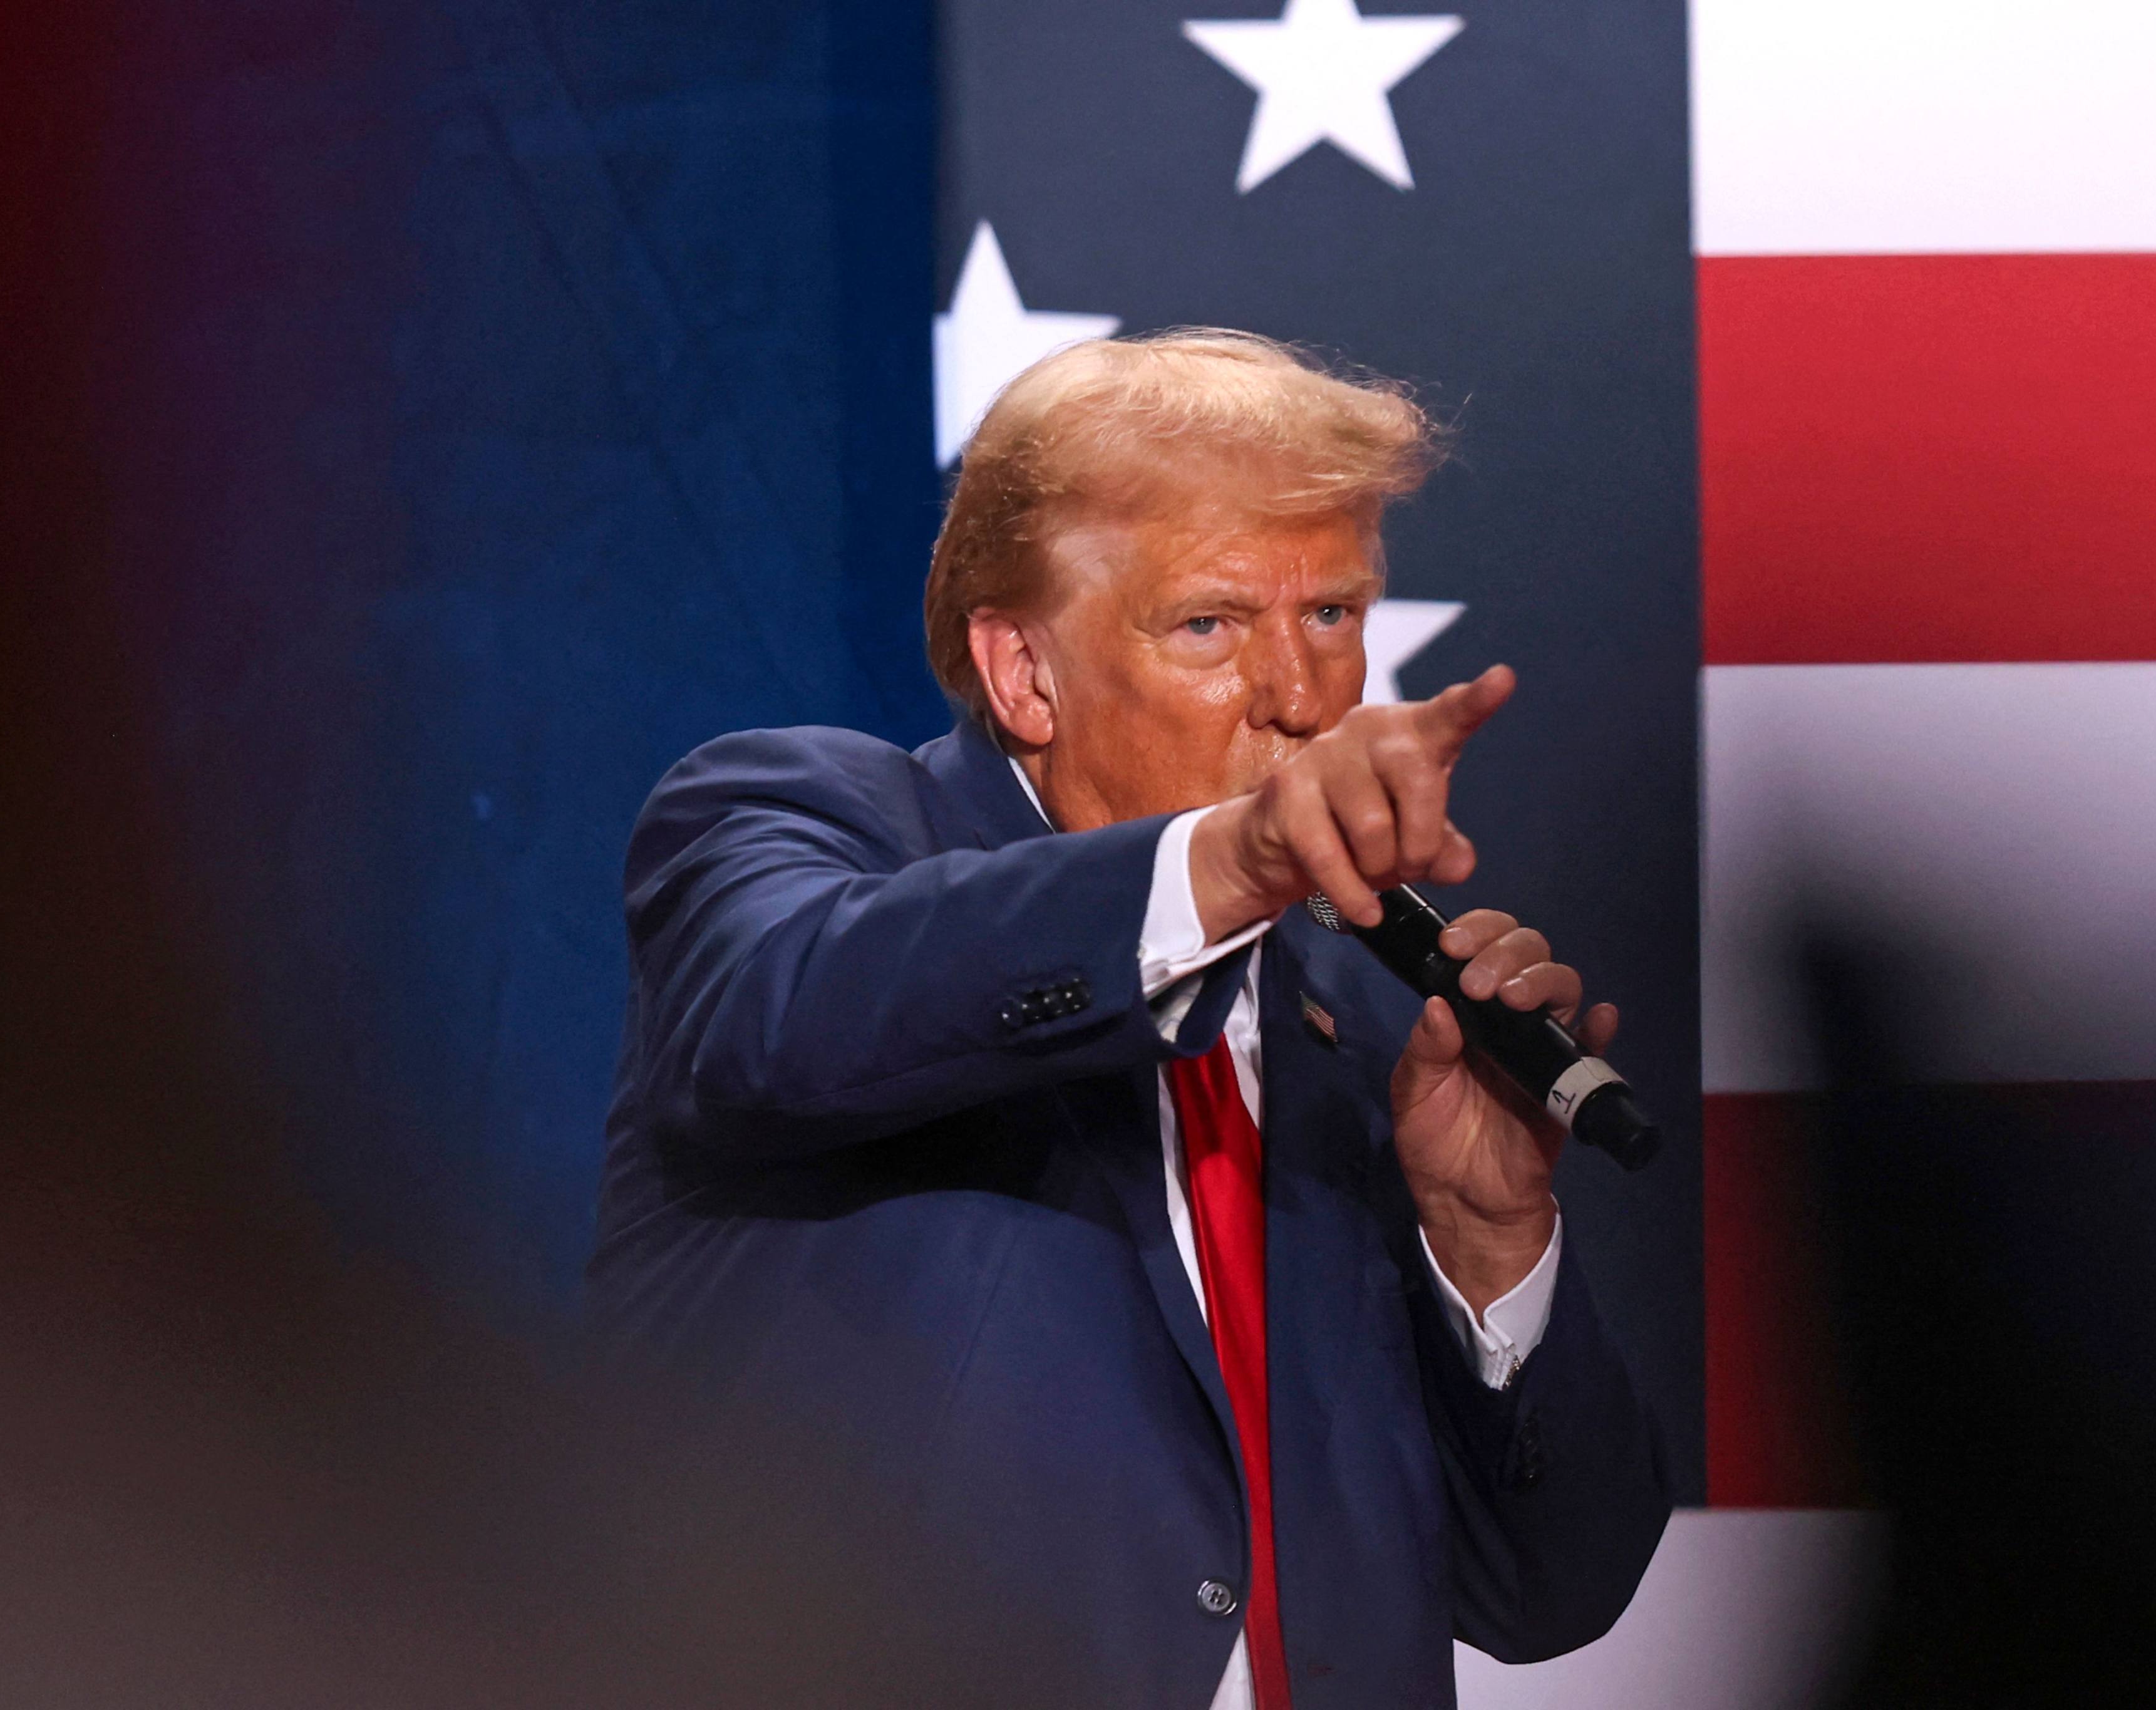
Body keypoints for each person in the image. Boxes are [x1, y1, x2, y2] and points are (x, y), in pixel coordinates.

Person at [589, 331, 1669, 1709]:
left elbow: (1550, 1595)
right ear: (1022, 674)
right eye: (1209, 625)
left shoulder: (1361, 1016)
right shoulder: (799, 825)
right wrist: (1232, 860)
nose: (1294, 696)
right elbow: (782, 1013)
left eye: (1331, 616)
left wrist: (1487, 1245)